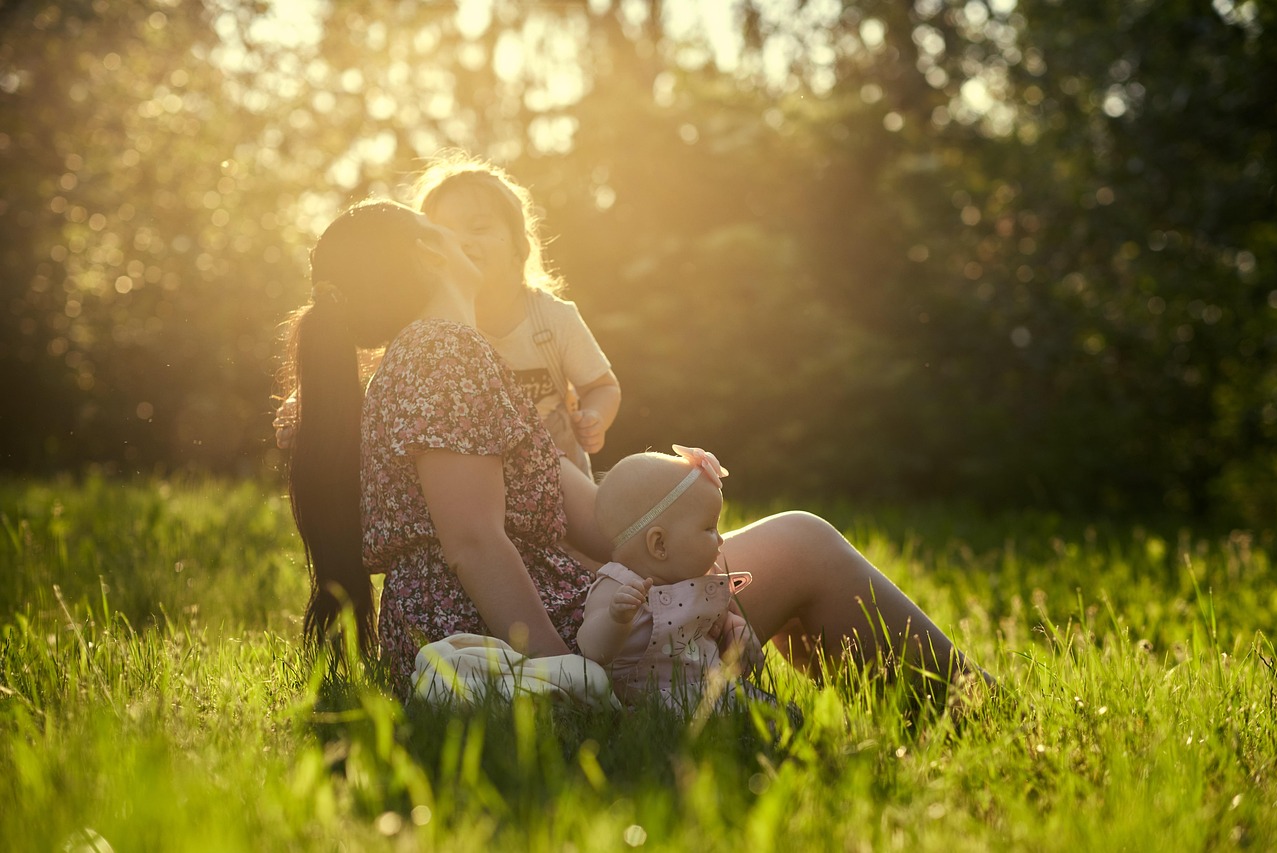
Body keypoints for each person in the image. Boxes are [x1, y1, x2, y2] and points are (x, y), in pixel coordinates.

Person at [284, 199, 991, 703]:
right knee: (806, 541)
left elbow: (606, 525)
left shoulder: (443, 361)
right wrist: (572, 680)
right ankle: (981, 714)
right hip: (517, 638)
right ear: (428, 252)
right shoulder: (442, 351)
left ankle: (923, 708)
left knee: (779, 555)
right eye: (440, 221)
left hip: (524, 616)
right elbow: (473, 541)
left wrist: (683, 498)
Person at [278, 152, 621, 479]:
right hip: (480, 484)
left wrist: (595, 417)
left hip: (563, 486)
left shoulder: (552, 319)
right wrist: (306, 401)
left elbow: (602, 386)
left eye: (479, 228)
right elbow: (367, 363)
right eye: (446, 230)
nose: (463, 241)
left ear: (520, 246)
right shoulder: (433, 326)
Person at [577, 446, 766, 709]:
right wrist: (614, 618)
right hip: (651, 703)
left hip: (712, 691)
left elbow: (723, 619)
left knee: (771, 716)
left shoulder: (702, 579)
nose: (721, 539)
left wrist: (738, 630)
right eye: (710, 527)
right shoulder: (617, 586)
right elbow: (591, 649)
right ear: (660, 544)